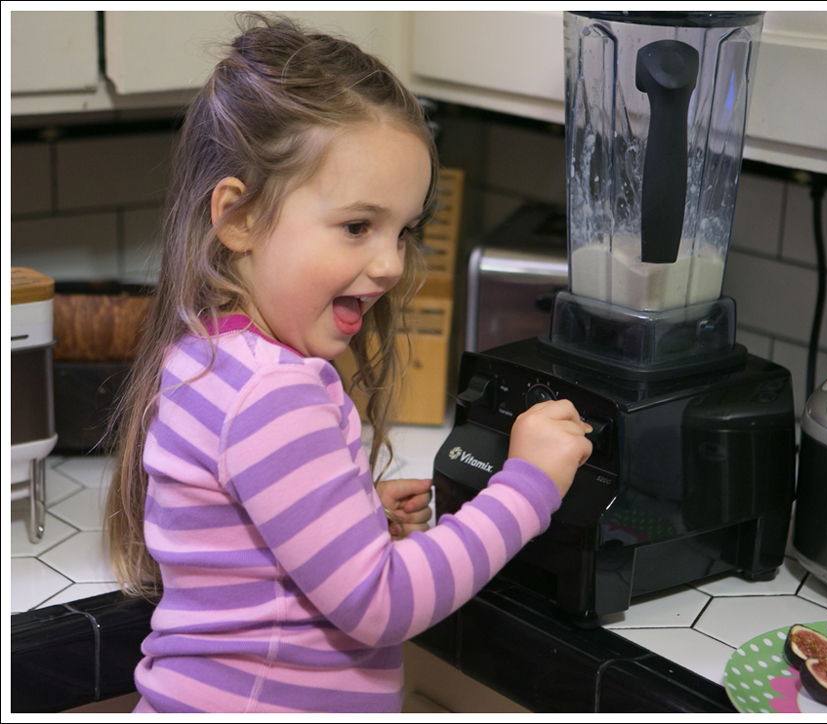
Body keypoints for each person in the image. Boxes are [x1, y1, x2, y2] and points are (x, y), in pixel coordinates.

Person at [105, 14, 592, 714]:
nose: (391, 263)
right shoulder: (275, 389)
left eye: (405, 230)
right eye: (357, 226)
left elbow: (246, 552)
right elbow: (381, 604)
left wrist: (354, 513)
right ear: (238, 218)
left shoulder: (205, 354)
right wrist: (528, 486)